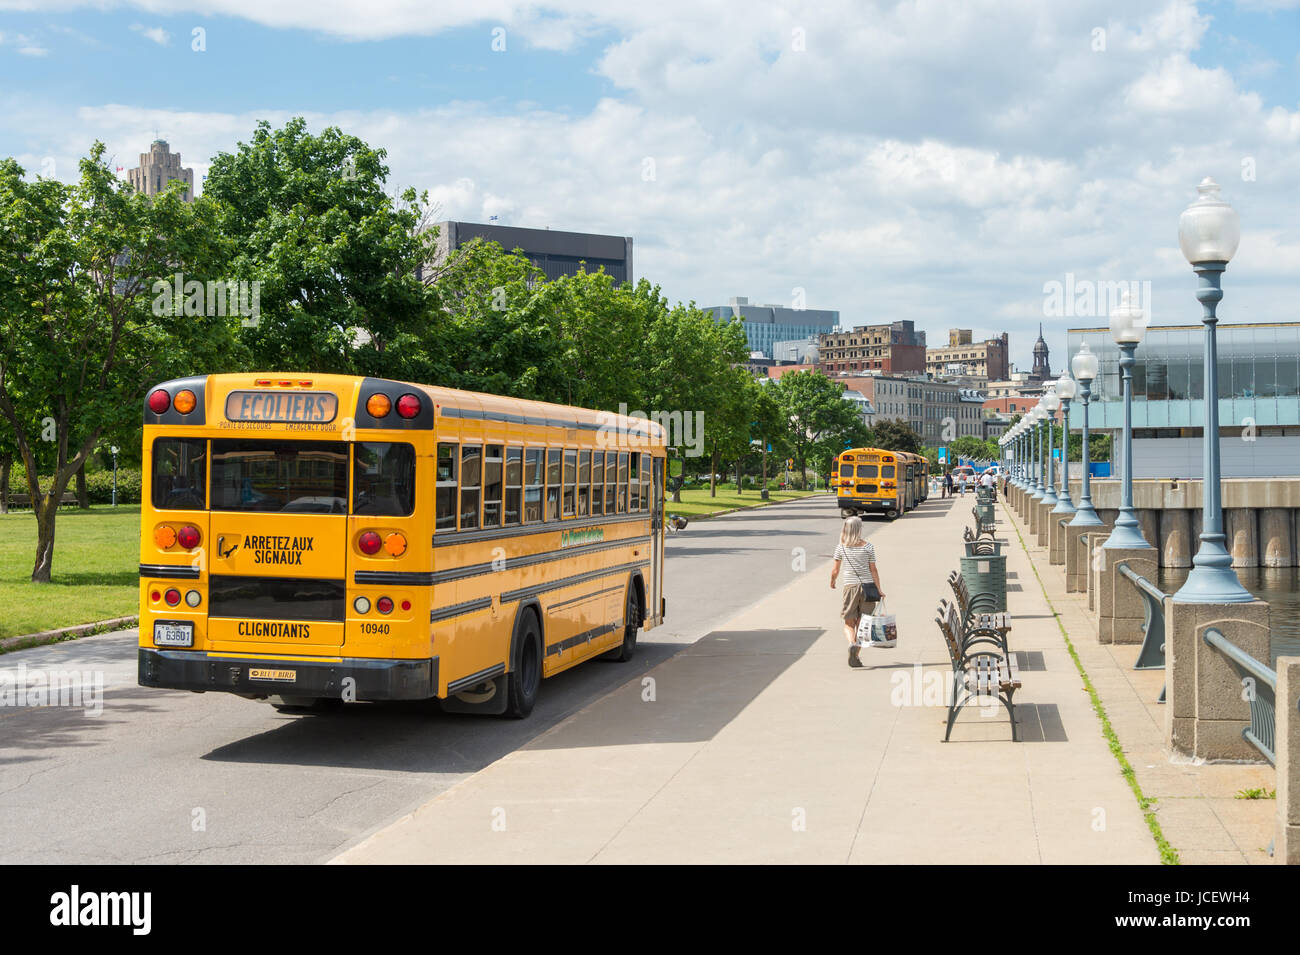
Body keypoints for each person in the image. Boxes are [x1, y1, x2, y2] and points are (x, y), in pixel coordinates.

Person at [830, 516, 886, 668]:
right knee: (863, 623)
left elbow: (835, 570)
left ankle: (851, 644)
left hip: (850, 587)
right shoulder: (868, 547)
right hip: (868, 587)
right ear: (859, 529)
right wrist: (879, 589)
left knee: (849, 622)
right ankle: (856, 655)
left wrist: (832, 581)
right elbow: (873, 570)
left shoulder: (841, 547)